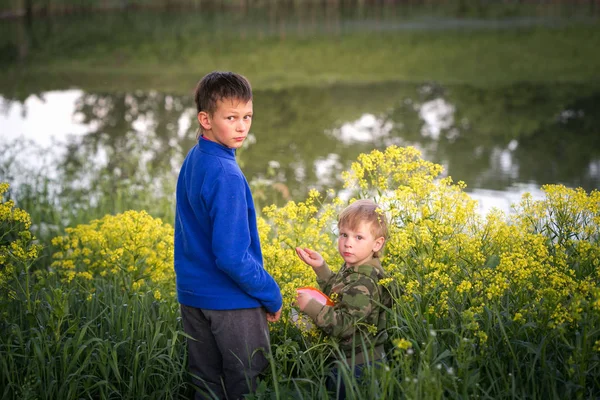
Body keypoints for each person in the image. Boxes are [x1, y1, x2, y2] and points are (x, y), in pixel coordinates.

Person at [174, 71, 283, 400]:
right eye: (231, 117)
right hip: (231, 303)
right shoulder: (226, 174)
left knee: (206, 382)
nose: (242, 127)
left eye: (247, 116)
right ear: (205, 119)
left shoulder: (196, 158)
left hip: (193, 297)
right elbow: (232, 256)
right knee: (245, 381)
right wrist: (270, 292)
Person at [295, 199, 390, 398]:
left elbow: (344, 325)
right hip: (352, 361)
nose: (348, 243)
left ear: (377, 243)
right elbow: (341, 297)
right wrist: (321, 268)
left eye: (358, 237)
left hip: (357, 368)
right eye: (344, 235)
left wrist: (311, 307)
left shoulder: (364, 280)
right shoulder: (356, 268)